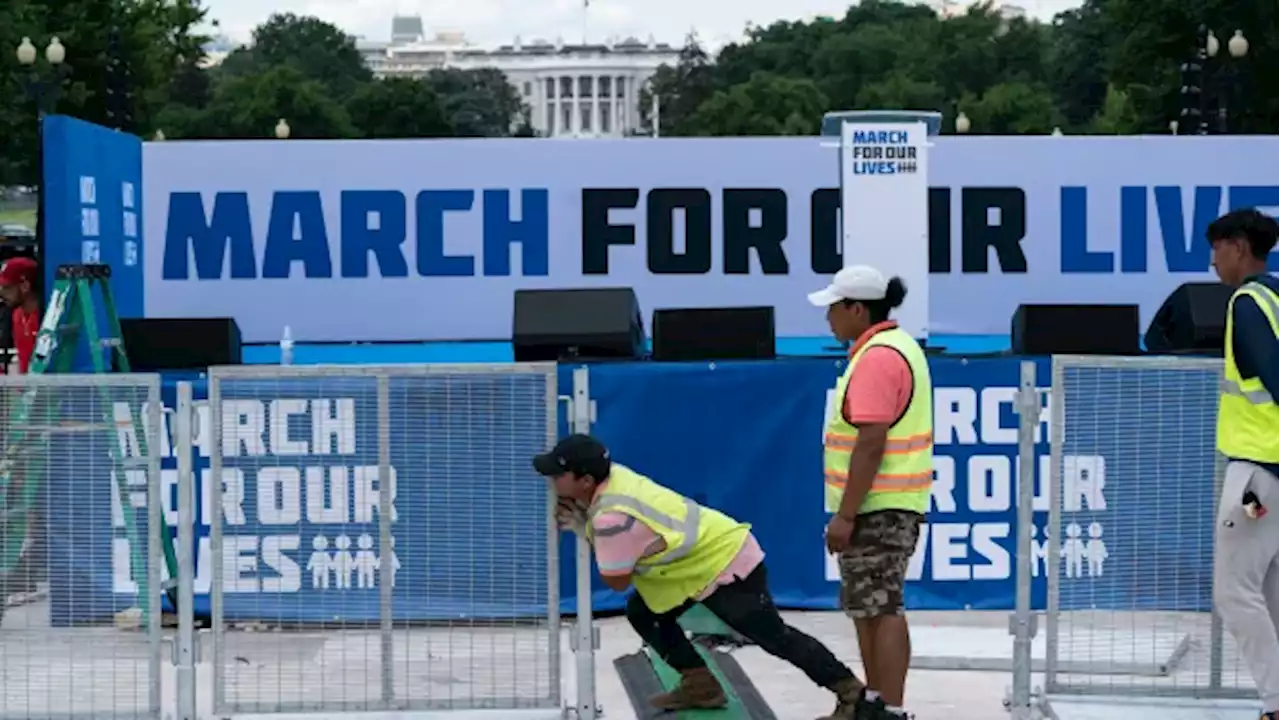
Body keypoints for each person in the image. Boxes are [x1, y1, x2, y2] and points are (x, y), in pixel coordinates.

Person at [534, 434, 870, 719]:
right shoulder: (615, 477)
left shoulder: (612, 518)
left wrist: (584, 530)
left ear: (586, 482)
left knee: (774, 637)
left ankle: (852, 695)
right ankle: (701, 686)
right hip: (696, 564)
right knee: (644, 613)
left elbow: (617, 581)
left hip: (727, 562)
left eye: (557, 475)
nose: (552, 481)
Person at [808, 265, 934, 720]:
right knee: (869, 606)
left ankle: (891, 711)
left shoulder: (879, 357)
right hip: (883, 503)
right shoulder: (891, 349)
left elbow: (871, 441)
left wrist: (846, 514)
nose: (828, 320)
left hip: (878, 505)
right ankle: (876, 706)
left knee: (882, 607)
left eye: (834, 309)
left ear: (857, 309)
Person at [1206, 209, 1280, 720]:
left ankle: (1277, 704)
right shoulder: (1278, 297)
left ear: (1238, 247)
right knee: (1271, 595)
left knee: (1234, 592)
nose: (1213, 263)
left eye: (1216, 250)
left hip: (1257, 475)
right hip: (1275, 472)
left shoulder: (1249, 303)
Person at [0, 257, 41, 374]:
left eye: (7, 288)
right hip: (26, 388)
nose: (1, 292)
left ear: (25, 286)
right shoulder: (17, 315)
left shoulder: (46, 319)